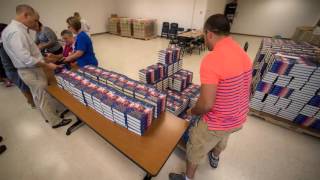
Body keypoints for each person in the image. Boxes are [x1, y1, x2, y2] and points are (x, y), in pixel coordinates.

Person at [169, 14, 252, 180]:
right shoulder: (241, 52)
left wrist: (193, 111)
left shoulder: (213, 59)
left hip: (218, 120)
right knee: (222, 137)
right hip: (239, 116)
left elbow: (206, 104)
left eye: (203, 35)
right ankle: (214, 157)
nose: (204, 40)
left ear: (209, 34)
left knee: (195, 143)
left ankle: (188, 177)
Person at [1, 4, 72, 128]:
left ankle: (48, 116)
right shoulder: (16, 32)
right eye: (34, 20)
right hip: (30, 70)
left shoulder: (10, 30)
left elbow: (28, 52)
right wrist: (47, 65)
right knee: (41, 95)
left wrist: (43, 58)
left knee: (37, 95)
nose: (35, 23)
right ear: (25, 15)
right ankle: (55, 121)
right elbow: (27, 59)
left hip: (28, 69)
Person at [0, 23, 35, 107]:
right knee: (24, 88)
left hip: (11, 70)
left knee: (23, 87)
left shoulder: (4, 44)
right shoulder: (4, 45)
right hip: (13, 71)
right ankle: (32, 103)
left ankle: (31, 101)